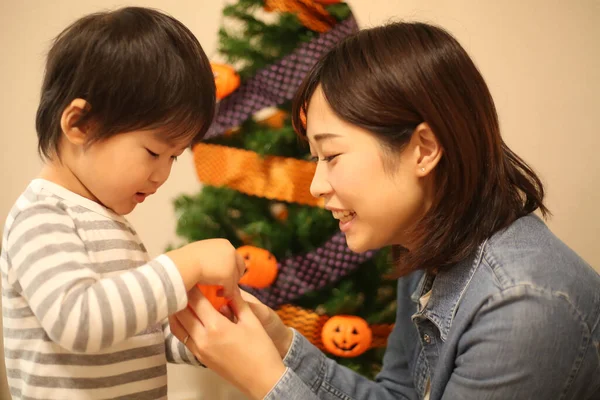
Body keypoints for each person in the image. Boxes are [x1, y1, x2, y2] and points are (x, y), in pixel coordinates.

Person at [170, 21, 600, 400]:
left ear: (423, 150)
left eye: (332, 155)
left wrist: (267, 381)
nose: (317, 186)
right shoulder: (428, 246)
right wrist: (281, 344)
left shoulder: (522, 308)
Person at [0, 7, 246, 400]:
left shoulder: (107, 220)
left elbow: (135, 334)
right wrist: (187, 263)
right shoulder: (42, 216)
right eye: (153, 152)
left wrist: (201, 333)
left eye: (174, 157)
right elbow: (79, 321)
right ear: (81, 124)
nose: (162, 174)